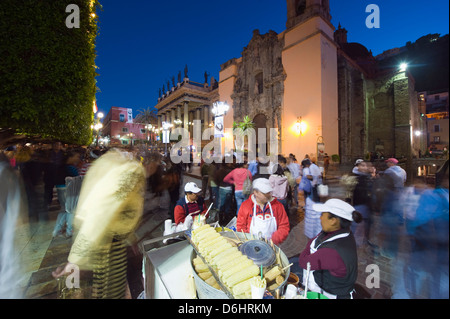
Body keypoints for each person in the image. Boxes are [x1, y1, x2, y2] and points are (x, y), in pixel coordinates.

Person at [52, 149, 146, 299]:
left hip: (100, 239)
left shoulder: (107, 164)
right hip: (107, 244)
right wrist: (76, 260)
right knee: (109, 292)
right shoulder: (131, 171)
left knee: (104, 289)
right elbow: (102, 212)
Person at [296, 199, 363, 299]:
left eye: (323, 214)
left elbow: (303, 261)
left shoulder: (332, 252)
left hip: (330, 293)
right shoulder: (344, 232)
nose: (320, 217)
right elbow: (316, 238)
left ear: (333, 221)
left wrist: (308, 248)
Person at [236, 178, 290, 245]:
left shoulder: (278, 206)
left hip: (272, 245)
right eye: (265, 193)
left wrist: (274, 240)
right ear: (255, 192)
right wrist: (248, 240)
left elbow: (284, 226)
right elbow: (241, 226)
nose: (268, 195)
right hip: (250, 243)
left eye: (269, 192)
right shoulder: (246, 206)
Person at [351, 160, 376, 248]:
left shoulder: (368, 177)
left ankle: (365, 241)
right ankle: (353, 243)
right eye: (362, 165)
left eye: (365, 166)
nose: (364, 167)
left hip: (367, 204)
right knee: (356, 223)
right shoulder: (357, 177)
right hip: (359, 203)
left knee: (367, 224)